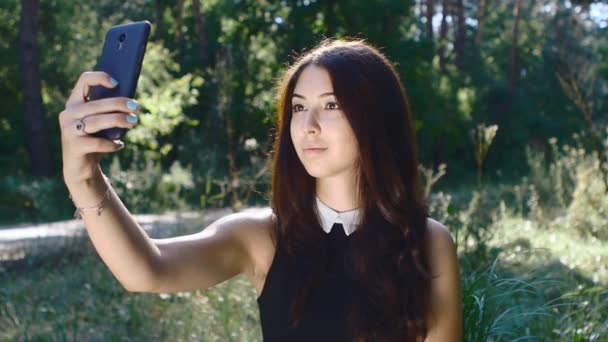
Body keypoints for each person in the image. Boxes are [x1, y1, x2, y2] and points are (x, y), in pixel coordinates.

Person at [59, 37, 462, 341]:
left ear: (377, 118)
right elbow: (147, 270)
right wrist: (84, 178)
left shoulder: (427, 241)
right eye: (300, 107)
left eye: (332, 105)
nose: (309, 125)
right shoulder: (260, 237)